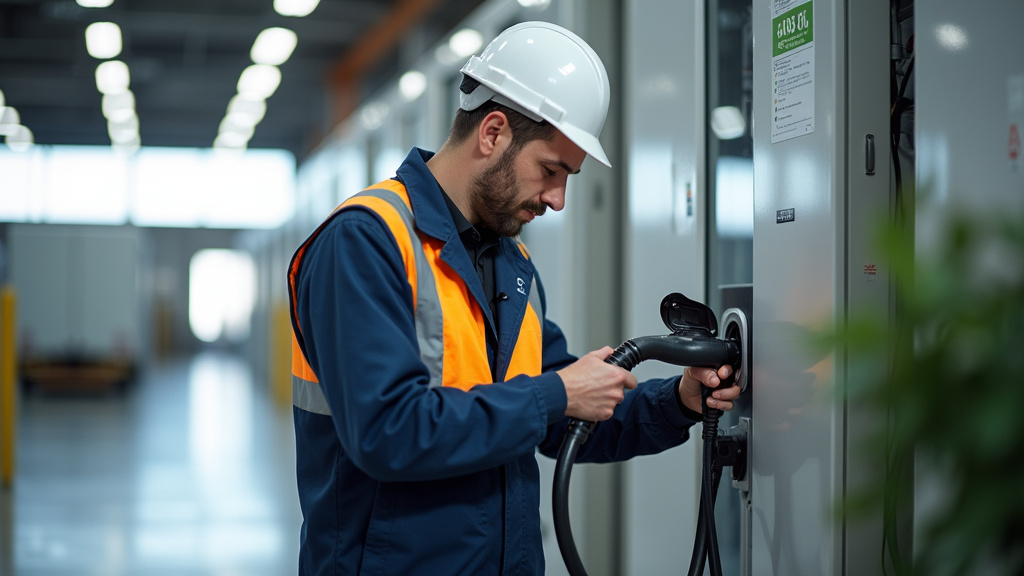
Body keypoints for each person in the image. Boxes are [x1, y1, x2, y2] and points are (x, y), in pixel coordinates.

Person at [287, 21, 740, 575]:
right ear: (493, 132)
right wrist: (554, 394)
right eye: (550, 170)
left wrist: (680, 401)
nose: (558, 199)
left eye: (568, 176)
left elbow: (561, 416)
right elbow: (388, 433)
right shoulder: (364, 241)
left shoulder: (508, 261)